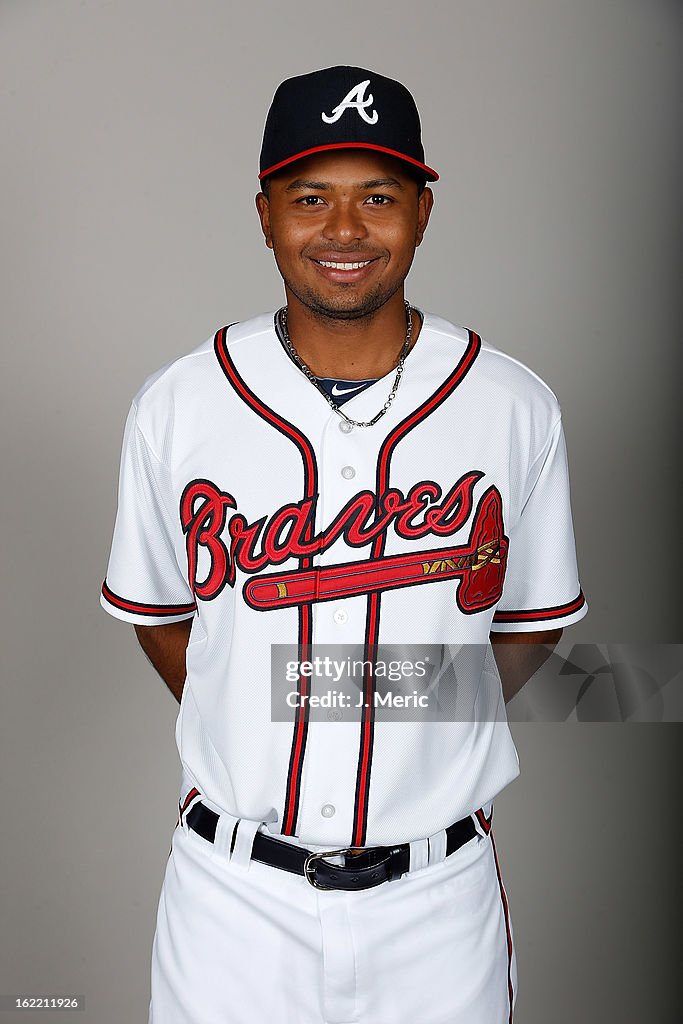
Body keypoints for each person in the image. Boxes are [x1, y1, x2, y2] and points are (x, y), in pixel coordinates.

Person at [101, 65, 587, 1024]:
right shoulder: (180, 403)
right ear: (265, 212)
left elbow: (531, 626)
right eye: (310, 197)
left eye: (378, 197)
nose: (344, 231)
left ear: (422, 211)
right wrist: (256, 706)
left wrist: (389, 710)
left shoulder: (510, 405)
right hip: (232, 901)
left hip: (436, 902)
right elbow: (161, 620)